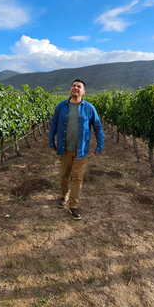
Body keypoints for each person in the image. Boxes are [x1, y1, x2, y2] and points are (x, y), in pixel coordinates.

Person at [49, 79, 105, 220]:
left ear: (83, 91)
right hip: (64, 148)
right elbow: (53, 125)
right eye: (73, 86)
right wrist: (51, 141)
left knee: (77, 178)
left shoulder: (89, 108)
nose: (75, 88)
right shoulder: (61, 107)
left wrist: (100, 144)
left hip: (82, 150)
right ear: (70, 89)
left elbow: (97, 126)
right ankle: (64, 195)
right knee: (64, 175)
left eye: (79, 87)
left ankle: (73, 205)